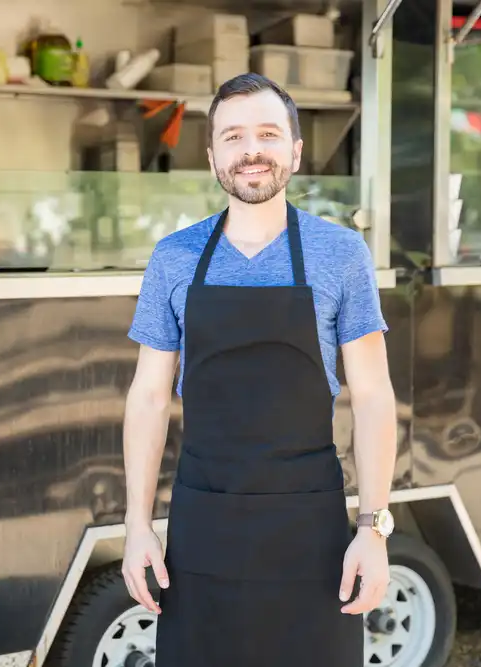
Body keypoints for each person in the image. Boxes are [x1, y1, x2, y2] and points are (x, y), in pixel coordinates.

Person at [120, 72, 398, 666]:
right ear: (213, 154)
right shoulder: (174, 258)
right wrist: (137, 525)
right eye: (234, 136)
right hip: (203, 522)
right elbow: (148, 397)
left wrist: (373, 530)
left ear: (295, 151)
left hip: (309, 526)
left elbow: (373, 396)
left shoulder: (341, 253)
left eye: (269, 135)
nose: (252, 150)